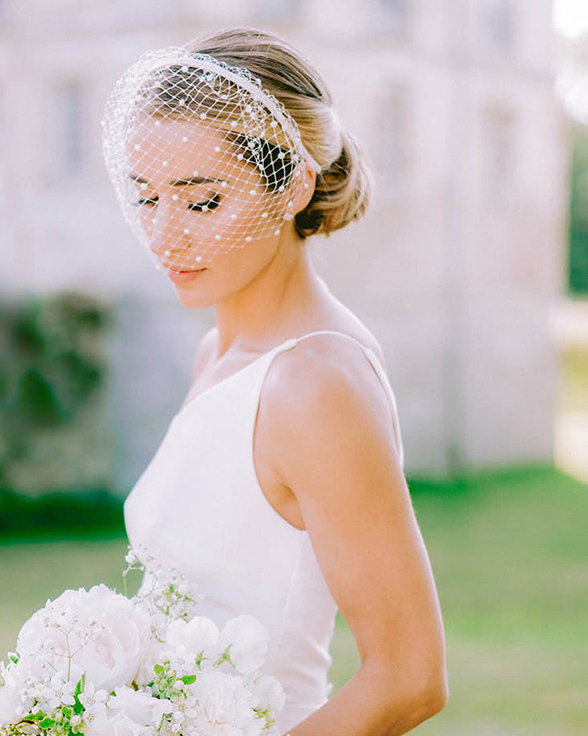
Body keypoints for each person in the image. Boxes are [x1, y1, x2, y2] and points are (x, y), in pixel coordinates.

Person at [102, 27, 448, 736]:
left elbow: (408, 678)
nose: (165, 236)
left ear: (290, 186)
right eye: (146, 197)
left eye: (200, 202)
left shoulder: (313, 382)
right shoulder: (218, 356)